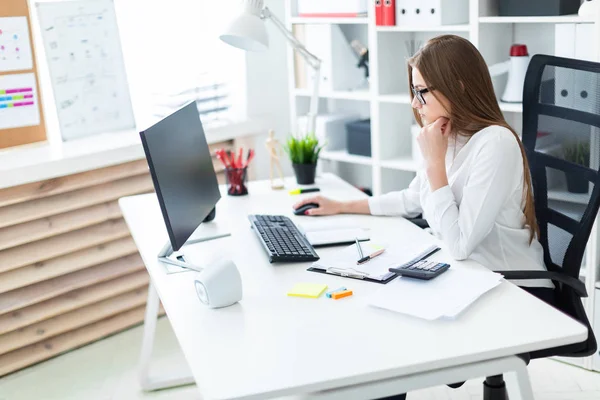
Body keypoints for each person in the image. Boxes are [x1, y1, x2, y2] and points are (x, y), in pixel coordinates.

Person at [294, 34, 554, 296]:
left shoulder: (496, 143)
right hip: (472, 278)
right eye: (413, 91)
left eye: (422, 92)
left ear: (458, 87)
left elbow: (460, 245)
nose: (414, 103)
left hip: (518, 290)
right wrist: (341, 206)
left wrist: (434, 163)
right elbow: (411, 199)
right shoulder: (449, 135)